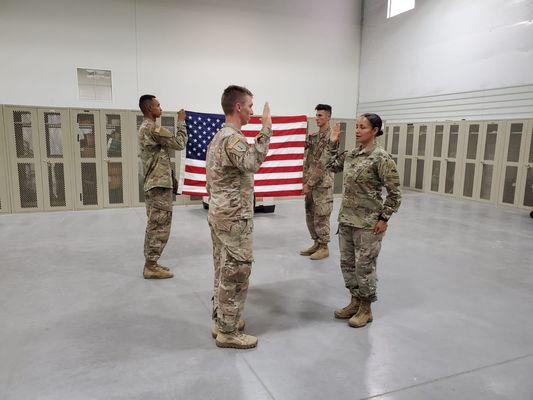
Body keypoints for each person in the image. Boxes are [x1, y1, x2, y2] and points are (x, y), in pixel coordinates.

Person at [206, 85, 272, 349]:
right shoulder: (233, 138)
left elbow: (211, 182)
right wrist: (266, 129)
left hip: (221, 214)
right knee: (236, 272)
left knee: (223, 270)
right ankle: (228, 332)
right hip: (233, 219)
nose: (253, 111)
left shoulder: (220, 137)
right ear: (238, 107)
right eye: (250, 106)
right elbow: (252, 162)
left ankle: (223, 320)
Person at [327, 113, 401, 327]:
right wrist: (333, 143)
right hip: (348, 221)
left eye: (363, 127)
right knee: (348, 265)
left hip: (369, 224)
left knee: (364, 267)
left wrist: (384, 218)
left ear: (375, 131)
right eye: (357, 126)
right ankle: (355, 301)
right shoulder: (352, 154)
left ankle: (366, 309)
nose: (358, 130)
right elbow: (332, 165)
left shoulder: (380, 157)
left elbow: (395, 193)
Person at [138, 94, 188, 279]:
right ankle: (150, 266)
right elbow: (179, 143)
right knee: (159, 226)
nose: (161, 108)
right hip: (158, 186)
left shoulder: (146, 127)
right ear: (150, 108)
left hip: (157, 184)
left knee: (155, 224)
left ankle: (152, 263)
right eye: (158, 105)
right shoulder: (153, 128)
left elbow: (161, 156)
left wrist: (172, 179)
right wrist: (181, 123)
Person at [300, 104, 334, 260]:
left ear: (328, 116)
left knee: (321, 216)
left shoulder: (332, 137)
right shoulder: (313, 137)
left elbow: (323, 163)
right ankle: (316, 243)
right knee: (310, 214)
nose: (317, 118)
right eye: (316, 115)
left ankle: (324, 246)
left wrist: (309, 183)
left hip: (321, 185)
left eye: (320, 115)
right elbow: (307, 159)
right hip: (310, 184)